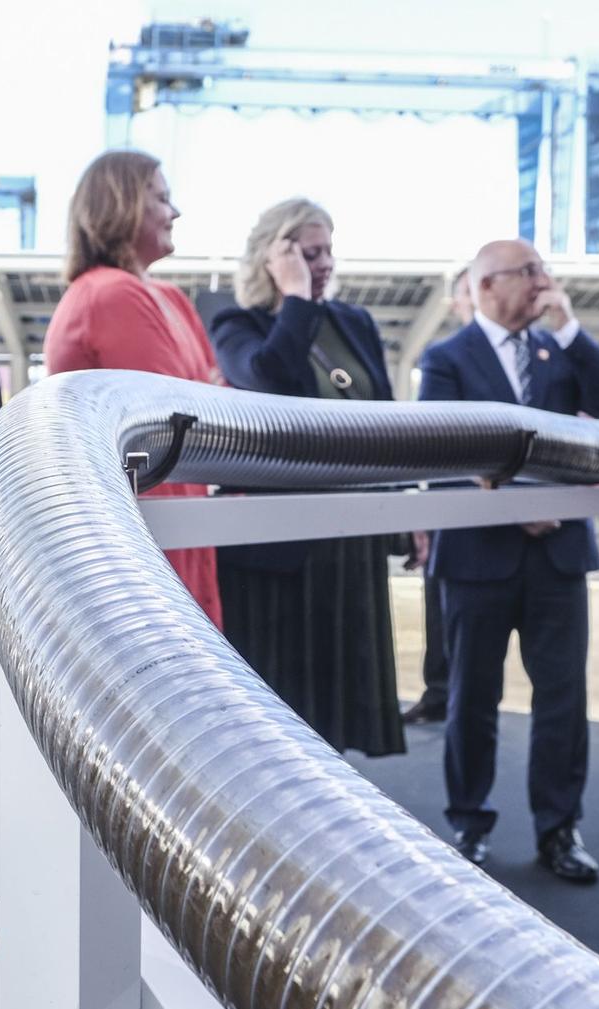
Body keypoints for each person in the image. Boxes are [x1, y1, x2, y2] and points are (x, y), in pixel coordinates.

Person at [421, 239, 599, 882]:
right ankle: (469, 825)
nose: (544, 280)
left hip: (560, 557)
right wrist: (510, 506)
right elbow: (436, 455)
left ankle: (559, 830)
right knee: (473, 699)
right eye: (529, 271)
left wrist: (570, 328)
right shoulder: (447, 359)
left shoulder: (558, 350)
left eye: (543, 269)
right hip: (478, 560)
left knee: (563, 699)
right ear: (486, 285)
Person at [206, 197, 402, 755]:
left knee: (341, 697)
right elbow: (268, 381)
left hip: (349, 542)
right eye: (311, 253)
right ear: (274, 256)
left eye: (329, 251)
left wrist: (401, 513)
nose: (326, 264)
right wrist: (294, 297)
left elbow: (385, 422)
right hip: (279, 547)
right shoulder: (237, 324)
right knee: (281, 702)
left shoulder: (354, 324)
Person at [41, 150, 223, 627]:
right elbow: (178, 409)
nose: (175, 212)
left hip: (178, 513)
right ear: (120, 205)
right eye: (162, 198)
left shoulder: (168, 298)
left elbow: (212, 399)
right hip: (147, 530)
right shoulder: (111, 294)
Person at [403, 265, 475, 727]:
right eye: (470, 290)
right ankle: (439, 692)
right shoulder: (445, 359)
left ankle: (457, 698)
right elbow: (429, 443)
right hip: (451, 510)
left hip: (495, 513)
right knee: (440, 611)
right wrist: (422, 514)